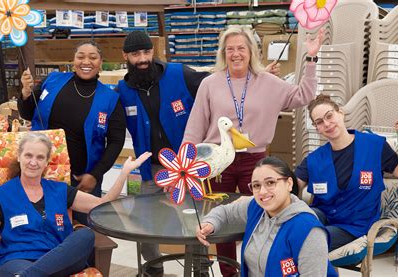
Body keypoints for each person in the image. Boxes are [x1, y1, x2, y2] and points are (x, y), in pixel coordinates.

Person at [117, 30, 282, 275]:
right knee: (145, 222)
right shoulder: (122, 90)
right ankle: (154, 271)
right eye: (135, 54)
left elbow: (223, 83)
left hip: (191, 166)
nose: (142, 58)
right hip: (149, 169)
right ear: (126, 56)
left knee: (196, 218)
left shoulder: (179, 74)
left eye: (146, 51)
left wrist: (256, 78)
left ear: (153, 51)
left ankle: (202, 269)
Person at [183, 26, 323, 276]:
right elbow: (196, 125)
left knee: (261, 213)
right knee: (220, 219)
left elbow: (304, 95)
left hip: (255, 163)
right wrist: (185, 164)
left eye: (241, 48)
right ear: (223, 53)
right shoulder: (210, 83)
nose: (236, 54)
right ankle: (228, 272)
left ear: (251, 52)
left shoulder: (268, 82)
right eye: (230, 49)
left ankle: (256, 267)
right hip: (217, 161)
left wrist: (311, 58)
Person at [0, 133, 151, 277]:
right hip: (16, 261)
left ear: (47, 162)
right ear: (19, 156)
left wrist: (124, 172)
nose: (33, 162)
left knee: (85, 235)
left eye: (40, 157)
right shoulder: (1, 195)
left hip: (60, 260)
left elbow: (103, 205)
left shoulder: (60, 190)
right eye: (28, 156)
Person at [18, 41, 126, 225]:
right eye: (81, 56)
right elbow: (28, 113)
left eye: (93, 57)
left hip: (82, 180)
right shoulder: (52, 81)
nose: (86, 61)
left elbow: (116, 141)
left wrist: (96, 174)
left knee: (86, 230)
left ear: (101, 62)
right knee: (41, 228)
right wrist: (26, 93)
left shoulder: (110, 99)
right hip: (41, 175)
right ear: (73, 60)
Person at [295, 94, 398, 251]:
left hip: (355, 226)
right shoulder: (314, 159)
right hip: (324, 216)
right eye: (320, 122)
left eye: (329, 116)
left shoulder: (374, 146)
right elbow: (291, 186)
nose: (327, 124)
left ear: (341, 113)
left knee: (311, 240)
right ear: (317, 129)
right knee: (295, 224)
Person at [197, 156, 337, 277]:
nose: (263, 191)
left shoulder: (310, 231)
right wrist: (210, 223)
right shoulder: (256, 207)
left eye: (270, 183)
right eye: (256, 185)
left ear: (289, 183)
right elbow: (225, 213)